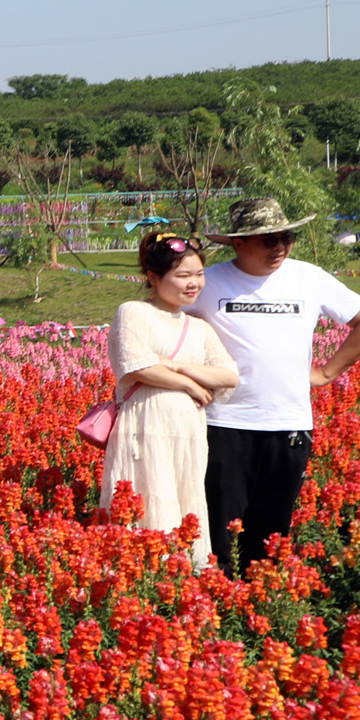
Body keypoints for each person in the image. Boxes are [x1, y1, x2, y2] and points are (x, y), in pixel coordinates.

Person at [189, 196, 360, 570]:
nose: (280, 246)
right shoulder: (209, 282)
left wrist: (327, 372)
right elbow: (164, 324)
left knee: (271, 536)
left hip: (288, 424)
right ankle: (219, 609)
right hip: (222, 424)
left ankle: (259, 610)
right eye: (268, 239)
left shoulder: (309, 278)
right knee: (220, 535)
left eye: (286, 237)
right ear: (238, 243)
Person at [100, 232, 239, 565]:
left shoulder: (198, 327)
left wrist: (174, 364)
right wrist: (190, 384)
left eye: (199, 274)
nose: (193, 284)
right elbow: (139, 366)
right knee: (145, 501)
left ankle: (183, 584)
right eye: (182, 276)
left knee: (184, 501)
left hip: (188, 435)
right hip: (144, 428)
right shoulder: (133, 312)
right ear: (153, 277)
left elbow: (228, 375)